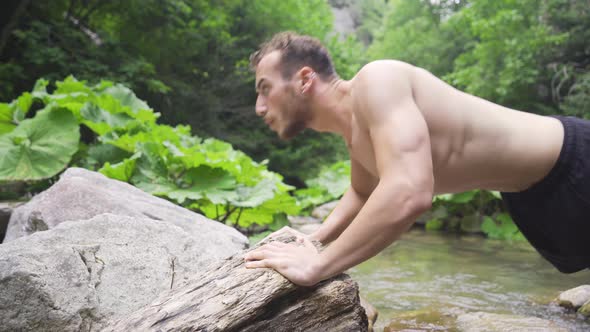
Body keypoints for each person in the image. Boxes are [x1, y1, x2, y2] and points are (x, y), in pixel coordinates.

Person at [243, 31, 590, 286]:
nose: (259, 108)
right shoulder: (354, 131)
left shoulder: (377, 80)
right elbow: (362, 193)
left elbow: (409, 191)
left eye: (264, 89)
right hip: (533, 199)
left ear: (304, 79)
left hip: (576, 161)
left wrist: (317, 266)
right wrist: (315, 238)